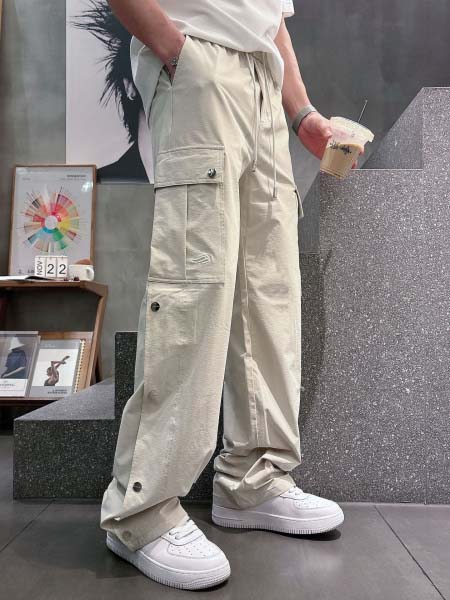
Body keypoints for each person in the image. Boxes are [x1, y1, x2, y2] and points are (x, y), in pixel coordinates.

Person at [100, 0, 353, 590]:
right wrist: (176, 52)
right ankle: (141, 512)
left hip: (265, 84)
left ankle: (253, 479)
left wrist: (301, 112)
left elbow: (271, 15)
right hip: (199, 66)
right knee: (194, 291)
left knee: (268, 294)